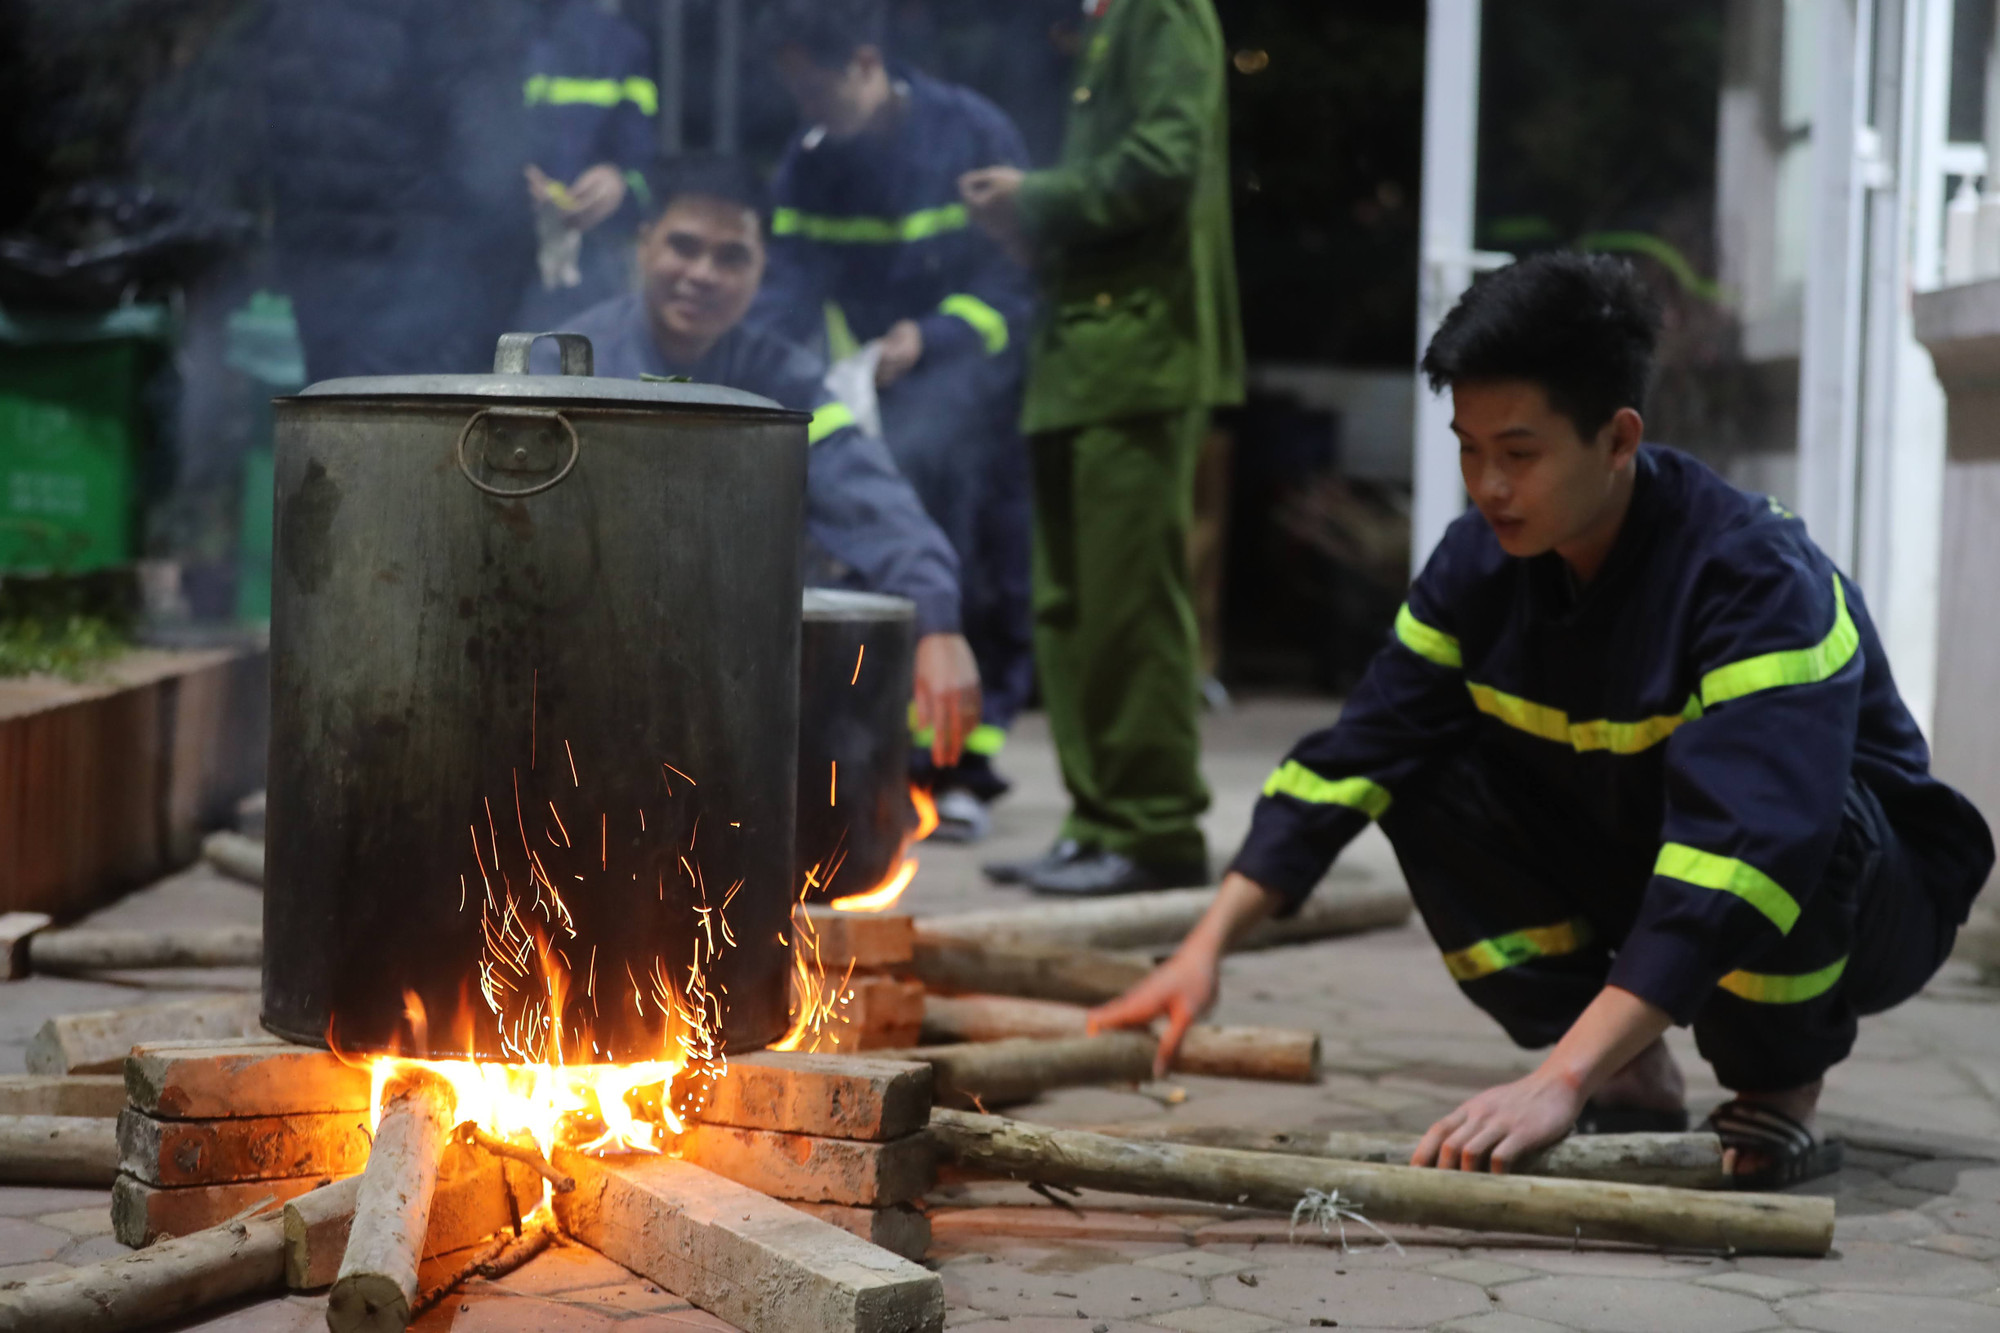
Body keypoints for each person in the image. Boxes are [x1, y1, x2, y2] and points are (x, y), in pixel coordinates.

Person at [1090, 253, 1993, 1188]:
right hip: (1649, 854)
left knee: (1797, 832)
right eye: (1468, 448)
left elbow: (1746, 849)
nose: (1487, 485)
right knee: (1418, 773)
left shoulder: (1752, 576)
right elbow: (1353, 755)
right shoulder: (1477, 567)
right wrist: (1202, 953)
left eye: (1518, 453)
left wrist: (1553, 1082)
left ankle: (1779, 1081)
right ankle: (1624, 1062)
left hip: (1863, 893)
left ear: (1616, 439)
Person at [535, 155, 983, 767]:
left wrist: (939, 621)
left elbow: (868, 495)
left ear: (760, 269)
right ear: (643, 247)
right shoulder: (564, 366)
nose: (701, 273)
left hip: (732, 677)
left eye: (731, 257)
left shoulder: (784, 382)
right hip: (578, 666)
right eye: (683, 247)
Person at [959, 0, 1244, 896]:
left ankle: (1155, 829)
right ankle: (1098, 821)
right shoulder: (1112, 17)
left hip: (1139, 351)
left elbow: (1164, 163)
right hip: (1083, 354)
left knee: (1127, 607)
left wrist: (1032, 197)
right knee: (1072, 607)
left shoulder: (1162, 10)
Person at [753, 0, 1037, 843]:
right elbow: (783, 291)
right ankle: (902, 763)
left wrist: (938, 333)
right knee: (891, 566)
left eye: (819, 93)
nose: (810, 113)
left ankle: (966, 770)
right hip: (874, 397)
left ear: (867, 65)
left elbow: (1018, 281)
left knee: (980, 574)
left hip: (976, 387)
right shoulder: (809, 163)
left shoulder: (970, 133)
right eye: (795, 96)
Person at [261, 0, 538, 380]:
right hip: (422, 277)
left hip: (319, 270)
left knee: (339, 415)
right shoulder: (456, 14)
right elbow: (488, 161)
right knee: (427, 425)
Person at [515, 0, 658, 329]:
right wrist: (514, 178)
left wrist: (619, 181)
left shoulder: (622, 44)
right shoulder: (487, 31)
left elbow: (644, 160)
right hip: (497, 250)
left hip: (598, 250)